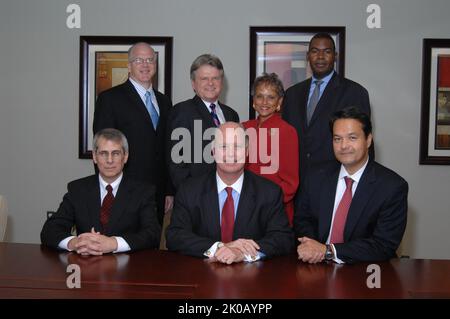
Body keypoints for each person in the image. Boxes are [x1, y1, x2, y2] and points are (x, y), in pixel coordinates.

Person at [166, 122, 294, 264]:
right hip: (202, 278)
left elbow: (283, 238)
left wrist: (243, 252)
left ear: (246, 152)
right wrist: (220, 247)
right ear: (213, 152)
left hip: (253, 281)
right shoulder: (189, 190)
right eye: (224, 146)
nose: (231, 153)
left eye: (237, 146)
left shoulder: (269, 192)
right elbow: (175, 236)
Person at [294, 107, 408, 264]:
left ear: (368, 140)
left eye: (352, 138)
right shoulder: (315, 176)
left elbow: (383, 245)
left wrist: (328, 251)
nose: (343, 146)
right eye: (337, 139)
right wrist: (311, 246)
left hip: (365, 271)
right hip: (315, 265)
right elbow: (302, 220)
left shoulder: (392, 187)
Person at [41, 128, 161, 255]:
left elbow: (152, 234)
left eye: (115, 153)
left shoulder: (143, 192)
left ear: (125, 157)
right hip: (85, 266)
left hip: (128, 268)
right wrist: (76, 243)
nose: (109, 160)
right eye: (103, 153)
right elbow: (49, 230)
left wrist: (113, 244)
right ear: (94, 156)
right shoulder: (78, 189)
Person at [93, 42, 173, 226]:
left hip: (158, 193)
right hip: (124, 191)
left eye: (149, 60)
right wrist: (109, 190)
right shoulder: (110, 99)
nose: (145, 64)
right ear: (128, 66)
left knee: (152, 249)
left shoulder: (164, 102)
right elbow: (102, 149)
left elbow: (168, 149)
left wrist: (169, 190)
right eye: (138, 60)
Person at [282, 33, 372, 184]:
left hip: (335, 182)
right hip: (296, 184)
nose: (321, 56)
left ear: (335, 56)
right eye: (315, 51)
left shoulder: (355, 92)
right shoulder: (292, 94)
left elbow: (363, 143)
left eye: (327, 51)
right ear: (308, 55)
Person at [167, 54, 239, 191]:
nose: (210, 83)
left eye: (215, 78)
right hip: (196, 196)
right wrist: (191, 196)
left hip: (227, 193)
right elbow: (176, 164)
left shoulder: (231, 114)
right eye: (204, 78)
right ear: (193, 84)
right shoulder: (181, 112)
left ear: (222, 82)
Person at [243, 73, 299, 225]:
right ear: (253, 101)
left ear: (279, 102)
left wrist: (263, 204)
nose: (264, 102)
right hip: (244, 210)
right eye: (260, 96)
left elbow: (290, 184)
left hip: (273, 211)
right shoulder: (243, 128)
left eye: (271, 97)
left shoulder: (287, 131)